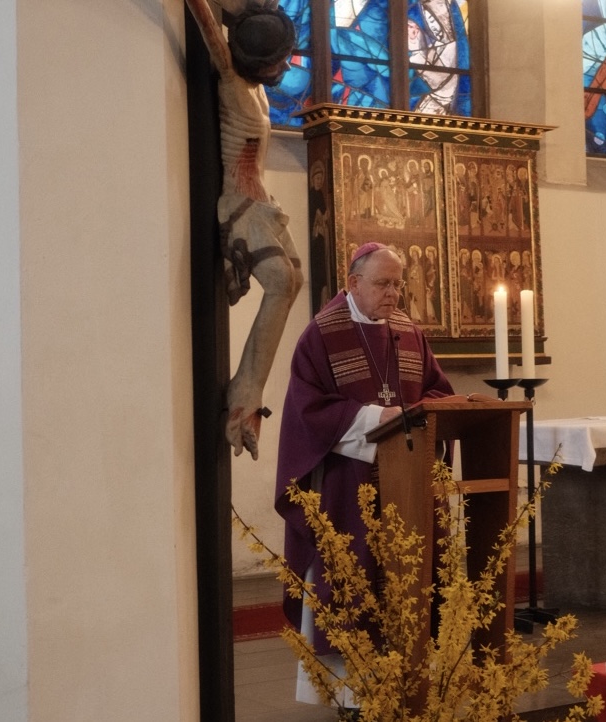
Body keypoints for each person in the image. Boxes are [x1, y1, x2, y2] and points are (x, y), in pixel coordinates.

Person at [275, 242, 454, 707]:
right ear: (353, 283)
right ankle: (352, 696)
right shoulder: (321, 335)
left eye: (398, 284)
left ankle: (409, 680)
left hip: (408, 482)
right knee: (350, 576)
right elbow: (308, 410)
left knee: (412, 574)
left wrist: (415, 415)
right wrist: (380, 418)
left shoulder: (409, 332)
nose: (393, 293)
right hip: (348, 483)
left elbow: (439, 392)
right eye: (382, 284)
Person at [185, 0, 304, 460]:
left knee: (294, 280)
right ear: (255, 61)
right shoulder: (233, 82)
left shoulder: (257, 90)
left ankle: (247, 387)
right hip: (240, 205)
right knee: (280, 282)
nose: (285, 67)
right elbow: (207, 24)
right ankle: (244, 396)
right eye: (278, 61)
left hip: (263, 204)